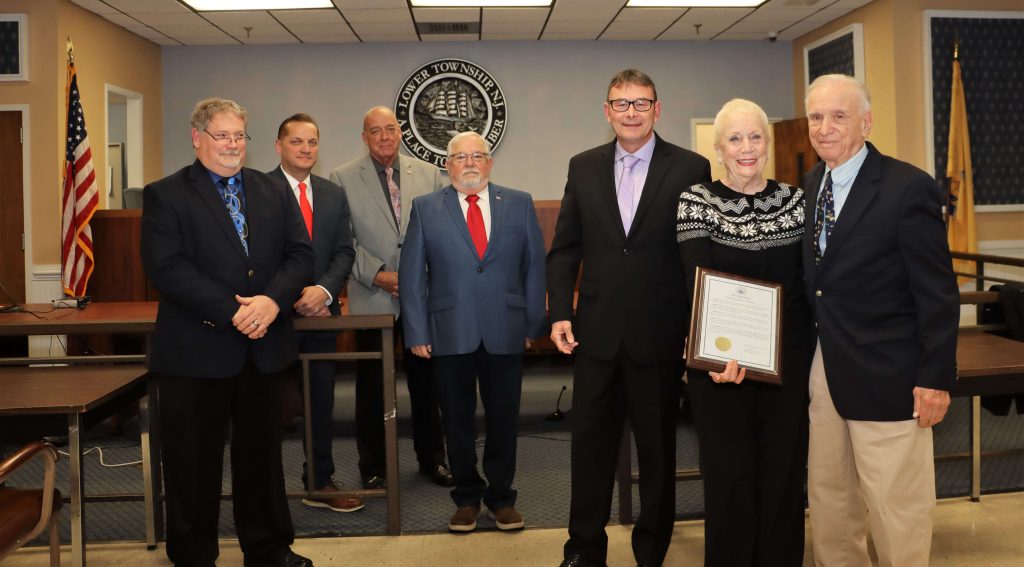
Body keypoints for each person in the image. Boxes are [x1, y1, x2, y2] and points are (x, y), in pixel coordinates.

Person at [547, 69, 711, 567]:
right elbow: (565, 250)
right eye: (621, 103)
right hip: (594, 336)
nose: (631, 112)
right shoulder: (584, 166)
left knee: (657, 454)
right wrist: (559, 311)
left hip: (660, 336)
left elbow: (697, 257)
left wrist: (698, 328)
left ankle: (651, 552)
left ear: (657, 110)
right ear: (607, 111)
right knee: (589, 451)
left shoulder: (690, 167)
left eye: (641, 103)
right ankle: (584, 549)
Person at [141, 97, 314, 567]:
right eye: (223, 136)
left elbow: (300, 255)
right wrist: (233, 311)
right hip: (196, 352)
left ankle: (269, 548)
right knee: (193, 464)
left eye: (240, 135)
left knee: (261, 459)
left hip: (263, 350)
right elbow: (166, 268)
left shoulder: (272, 190)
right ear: (198, 137)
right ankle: (194, 555)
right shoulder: (166, 194)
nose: (233, 145)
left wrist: (272, 302)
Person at [802, 74, 959, 566]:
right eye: (815, 116)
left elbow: (936, 292)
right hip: (826, 371)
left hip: (891, 376)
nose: (824, 127)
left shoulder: (906, 187)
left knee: (897, 509)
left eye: (838, 115)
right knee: (830, 502)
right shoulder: (810, 185)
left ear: (865, 122)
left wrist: (934, 377)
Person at [676, 98, 813, 566]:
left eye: (756, 136)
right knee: (730, 482)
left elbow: (806, 288)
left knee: (783, 479)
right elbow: (698, 280)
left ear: (769, 144)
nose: (747, 147)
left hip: (788, 368)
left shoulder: (798, 203)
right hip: (722, 370)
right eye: (735, 138)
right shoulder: (697, 201)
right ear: (718, 149)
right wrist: (717, 356)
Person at [400, 132, 546, 533]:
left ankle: (501, 499)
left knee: (503, 418)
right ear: (447, 165)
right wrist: (416, 331)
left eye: (477, 156)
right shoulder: (425, 208)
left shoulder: (518, 202)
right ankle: (466, 497)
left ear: (490, 162)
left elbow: (534, 266)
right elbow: (412, 277)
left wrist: (533, 324)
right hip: (448, 331)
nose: (469, 163)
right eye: (460, 156)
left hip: (506, 328)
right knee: (457, 420)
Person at [329, 106, 452, 489]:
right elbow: (342, 239)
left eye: (390, 129)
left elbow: (443, 231)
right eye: (374, 131)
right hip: (372, 296)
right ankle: (374, 466)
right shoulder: (342, 178)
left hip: (422, 298)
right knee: (371, 387)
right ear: (364, 138)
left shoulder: (430, 174)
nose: (384, 137)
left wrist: (417, 275)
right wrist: (378, 274)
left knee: (428, 384)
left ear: (400, 133)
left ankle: (433, 460)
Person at [268, 113, 362, 514]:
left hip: (321, 317)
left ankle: (319, 481)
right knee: (267, 408)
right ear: (279, 146)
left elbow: (344, 251)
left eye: (312, 143)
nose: (306, 150)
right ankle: (265, 492)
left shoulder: (332, 194)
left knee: (320, 404)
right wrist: (291, 297)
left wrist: (323, 291)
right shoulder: (258, 190)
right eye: (297, 142)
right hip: (271, 321)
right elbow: (253, 256)